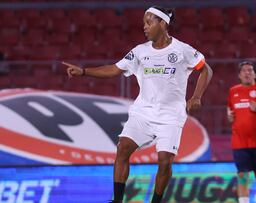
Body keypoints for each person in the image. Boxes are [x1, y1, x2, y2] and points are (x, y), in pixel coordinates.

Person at [62, 6, 213, 203]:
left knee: (165, 161)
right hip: (143, 113)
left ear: (163, 23)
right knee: (123, 147)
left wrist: (196, 97)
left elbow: (206, 70)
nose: (144, 27)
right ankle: (117, 201)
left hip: (171, 116)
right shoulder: (140, 52)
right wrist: (84, 72)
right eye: (144, 22)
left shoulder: (182, 50)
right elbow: (114, 69)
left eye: (149, 22)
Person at [227, 61, 256, 203]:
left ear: (254, 74)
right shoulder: (233, 91)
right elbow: (230, 109)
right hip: (239, 142)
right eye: (244, 71)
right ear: (239, 75)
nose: (247, 73)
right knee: (242, 175)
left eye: (250, 70)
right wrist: (229, 115)